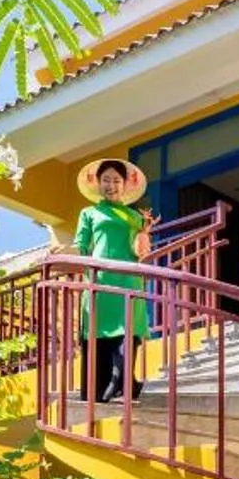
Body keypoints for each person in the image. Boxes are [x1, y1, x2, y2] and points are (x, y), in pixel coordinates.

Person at [72, 158, 152, 403]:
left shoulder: (135, 217)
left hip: (129, 280)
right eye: (105, 180)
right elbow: (81, 246)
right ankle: (110, 386)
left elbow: (142, 251)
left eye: (116, 180)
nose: (111, 185)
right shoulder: (89, 213)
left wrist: (144, 233)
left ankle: (122, 381)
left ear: (125, 185)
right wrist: (62, 252)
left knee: (129, 331)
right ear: (97, 184)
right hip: (101, 281)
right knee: (100, 334)